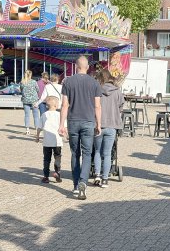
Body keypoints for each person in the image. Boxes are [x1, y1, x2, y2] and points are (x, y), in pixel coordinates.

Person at [58, 55, 102, 200]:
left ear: (76, 66)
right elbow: (97, 106)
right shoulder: (94, 83)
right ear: (88, 67)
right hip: (89, 121)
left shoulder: (68, 82)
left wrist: (61, 125)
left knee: (75, 153)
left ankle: (76, 185)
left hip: (73, 121)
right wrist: (99, 124)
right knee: (87, 153)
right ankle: (83, 182)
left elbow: (65, 105)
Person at [93, 69, 124, 188]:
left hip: (99, 125)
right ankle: (105, 179)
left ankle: (97, 175)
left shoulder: (97, 90)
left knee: (97, 151)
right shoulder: (117, 92)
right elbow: (121, 106)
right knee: (107, 154)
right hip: (112, 125)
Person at [36, 96, 64, 184]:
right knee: (57, 157)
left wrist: (37, 136)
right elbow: (64, 127)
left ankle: (46, 176)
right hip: (57, 141)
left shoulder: (44, 114)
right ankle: (57, 172)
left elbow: (39, 127)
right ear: (56, 105)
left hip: (47, 141)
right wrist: (67, 135)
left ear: (47, 106)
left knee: (46, 159)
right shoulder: (60, 115)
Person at [20, 70, 39, 135]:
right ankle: (36, 130)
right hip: (34, 100)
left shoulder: (22, 82)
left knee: (27, 115)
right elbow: (38, 89)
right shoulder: (34, 82)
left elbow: (21, 90)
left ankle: (27, 130)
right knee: (36, 115)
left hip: (25, 100)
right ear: (30, 75)